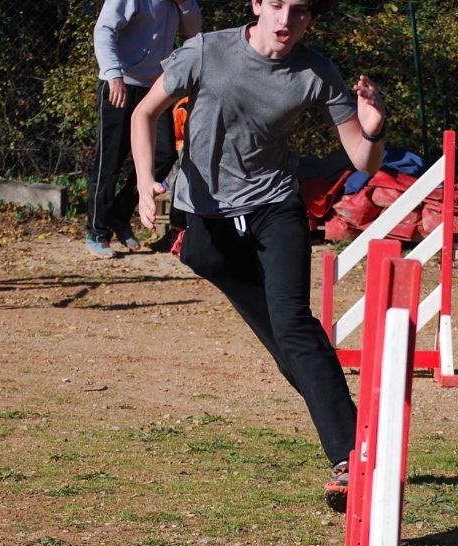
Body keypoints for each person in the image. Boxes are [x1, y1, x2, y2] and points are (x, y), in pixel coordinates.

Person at [130, 0, 386, 511]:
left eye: (299, 11)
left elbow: (364, 159)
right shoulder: (207, 49)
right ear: (257, 6)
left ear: (310, 19)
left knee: (295, 326)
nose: (285, 20)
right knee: (278, 337)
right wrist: (143, 182)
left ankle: (349, 455)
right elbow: (144, 112)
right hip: (207, 219)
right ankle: (348, 434)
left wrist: (375, 126)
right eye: (276, 5)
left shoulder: (317, 72)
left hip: (275, 206)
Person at [86, 0, 201, 258]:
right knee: (110, 159)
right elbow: (104, 29)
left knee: (164, 153)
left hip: (156, 85)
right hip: (120, 83)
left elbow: (194, 32)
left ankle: (119, 215)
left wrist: (184, 5)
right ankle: (97, 232)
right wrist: (113, 73)